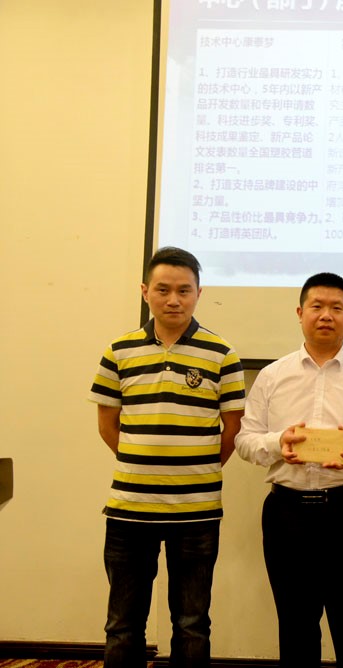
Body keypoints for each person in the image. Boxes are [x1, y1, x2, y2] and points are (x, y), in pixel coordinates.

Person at [89, 246, 246, 668]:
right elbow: (107, 425)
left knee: (192, 623)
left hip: (197, 512)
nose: (173, 299)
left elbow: (233, 431)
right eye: (163, 290)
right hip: (129, 510)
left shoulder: (222, 354)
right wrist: (142, 463)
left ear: (199, 293)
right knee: (123, 625)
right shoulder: (118, 351)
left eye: (183, 290)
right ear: (145, 291)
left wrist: (195, 469)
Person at [234, 272, 343, 668]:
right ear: (300, 312)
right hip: (287, 514)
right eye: (317, 306)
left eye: (337, 308)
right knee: (296, 628)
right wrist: (278, 443)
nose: (326, 315)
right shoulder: (272, 376)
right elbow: (244, 440)